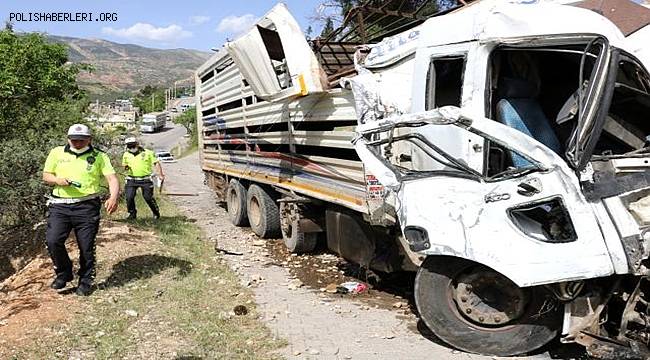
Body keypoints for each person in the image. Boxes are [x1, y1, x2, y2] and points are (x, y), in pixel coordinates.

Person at [42, 124, 119, 296]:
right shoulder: (56, 152)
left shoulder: (99, 156)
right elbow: (46, 175)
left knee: (86, 246)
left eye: (81, 140)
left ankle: (85, 280)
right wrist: (57, 180)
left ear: (89, 139)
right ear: (68, 138)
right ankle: (64, 273)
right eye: (73, 140)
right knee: (53, 241)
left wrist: (113, 197)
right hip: (60, 205)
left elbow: (112, 178)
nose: (76, 143)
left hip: (87, 206)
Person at [121, 137, 164, 220]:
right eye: (129, 146)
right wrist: (125, 167)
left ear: (137, 144)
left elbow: (156, 163)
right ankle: (132, 214)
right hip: (131, 179)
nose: (131, 147)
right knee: (129, 197)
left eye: (133, 145)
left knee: (148, 197)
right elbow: (124, 165)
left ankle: (156, 213)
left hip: (146, 179)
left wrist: (160, 174)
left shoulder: (148, 153)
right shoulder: (126, 154)